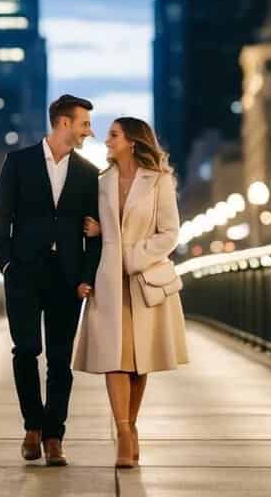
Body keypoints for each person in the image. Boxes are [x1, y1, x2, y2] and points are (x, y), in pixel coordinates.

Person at [0, 94, 101, 467]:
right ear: (64, 123)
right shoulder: (18, 162)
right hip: (23, 271)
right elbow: (0, 216)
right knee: (25, 350)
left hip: (67, 278)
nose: (90, 130)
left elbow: (94, 233)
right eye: (85, 123)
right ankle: (31, 427)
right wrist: (6, 262)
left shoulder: (88, 173)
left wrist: (86, 277)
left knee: (59, 360)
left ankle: (54, 436)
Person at [73, 116, 189, 468]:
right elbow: (99, 225)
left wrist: (130, 257)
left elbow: (169, 233)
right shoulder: (101, 180)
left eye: (113, 135)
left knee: (139, 363)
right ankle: (123, 432)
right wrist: (96, 233)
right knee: (115, 358)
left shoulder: (160, 181)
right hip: (108, 281)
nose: (106, 140)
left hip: (143, 279)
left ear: (133, 142)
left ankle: (131, 426)